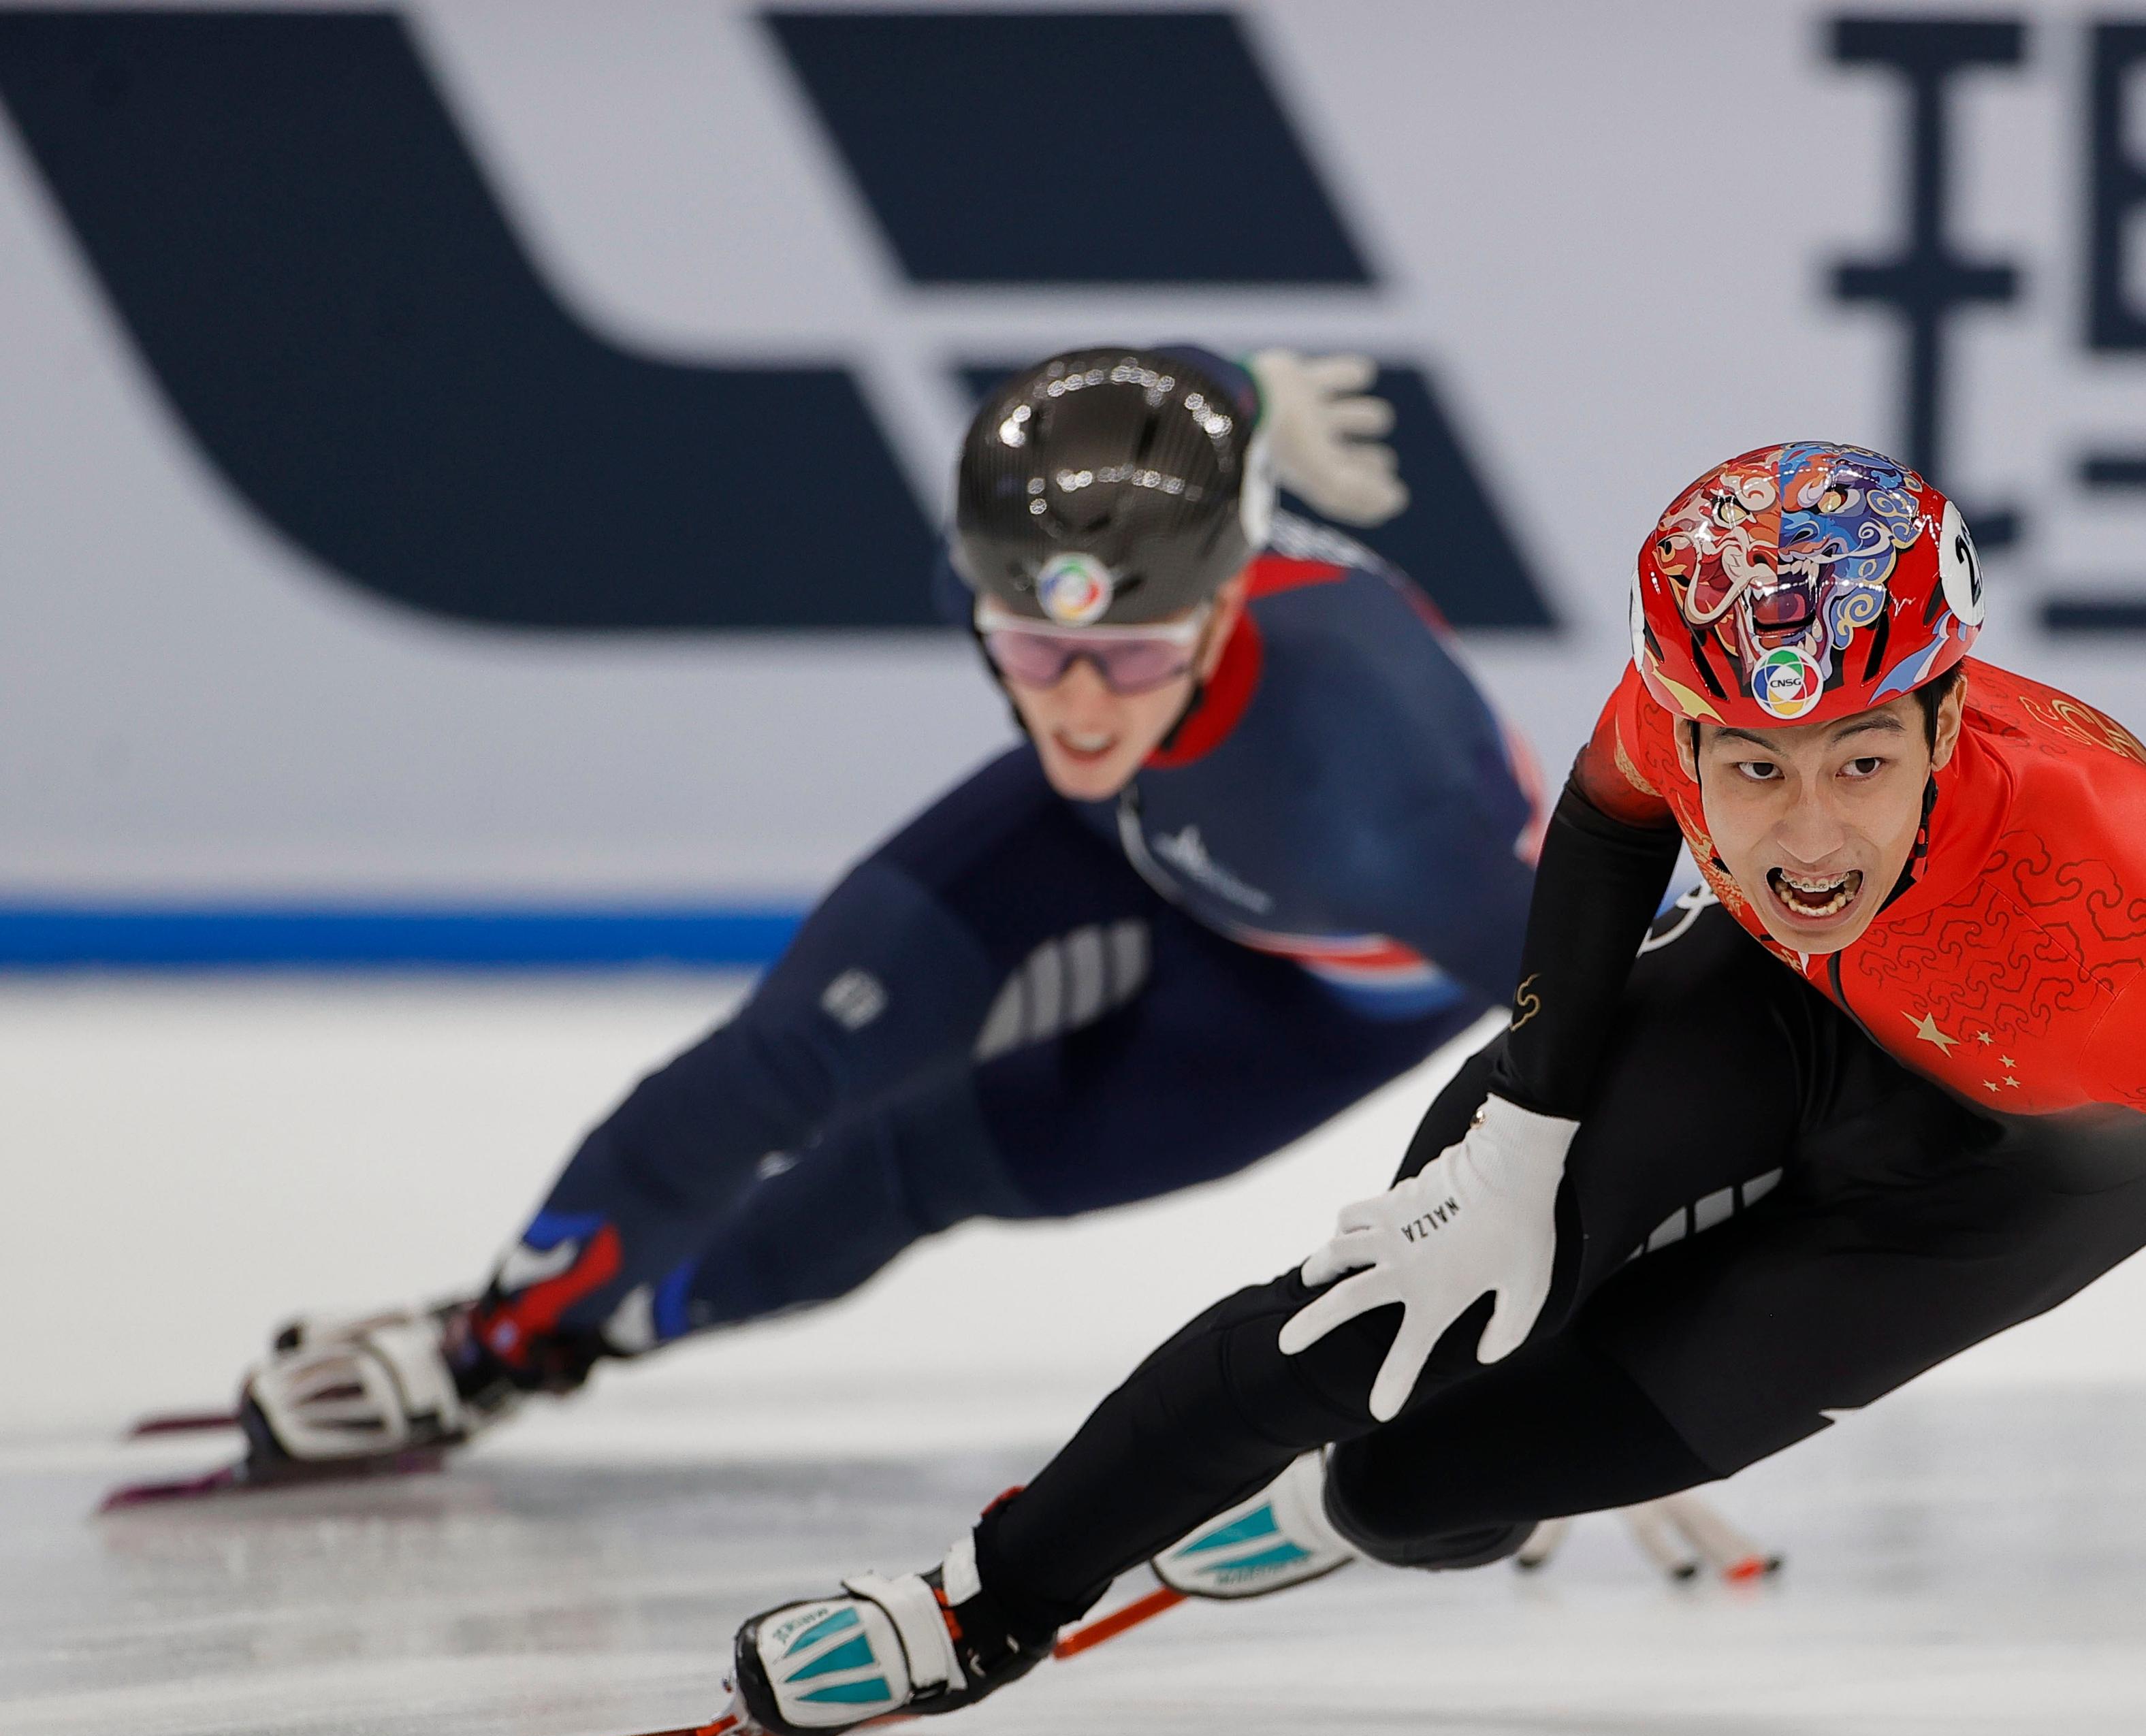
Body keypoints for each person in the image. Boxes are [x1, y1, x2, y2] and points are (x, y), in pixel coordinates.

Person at [716, 442, 2146, 1736]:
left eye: (1858, 756)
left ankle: (1363, 1505)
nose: (1803, 830)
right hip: (1778, 1013)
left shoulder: (2133, 949)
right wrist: (1525, 1132)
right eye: (1748, 770)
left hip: (2008, 1176)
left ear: (1944, 712)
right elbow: (1608, 829)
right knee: (1382, 1311)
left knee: (1417, 1486)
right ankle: (985, 1602)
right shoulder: (1707, 701)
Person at [234, 346, 1528, 1464]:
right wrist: (1245, 389)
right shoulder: (1044, 541)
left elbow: (1610, 1016)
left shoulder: (1365, 798)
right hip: (1110, 828)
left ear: (1225, 602)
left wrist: (1581, 1337)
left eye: (1127, 658)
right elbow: (1166, 391)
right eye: (1028, 651)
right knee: (779, 1059)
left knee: (913, 1166)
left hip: (1321, 997)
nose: (1077, 705)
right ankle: (489, 1343)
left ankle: (601, 1336)